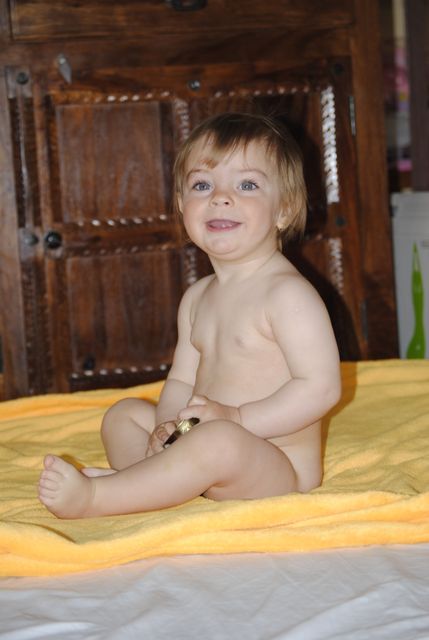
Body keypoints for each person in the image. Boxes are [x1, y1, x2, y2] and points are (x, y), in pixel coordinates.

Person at [38, 112, 341, 519]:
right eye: (202, 185)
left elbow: (321, 389)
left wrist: (238, 418)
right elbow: (181, 380)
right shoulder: (197, 298)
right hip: (200, 434)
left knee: (218, 441)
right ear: (183, 206)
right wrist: (166, 427)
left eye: (247, 185)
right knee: (124, 415)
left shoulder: (288, 295)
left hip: (274, 466)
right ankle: (151, 481)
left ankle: (99, 498)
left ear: (284, 210)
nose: (221, 197)